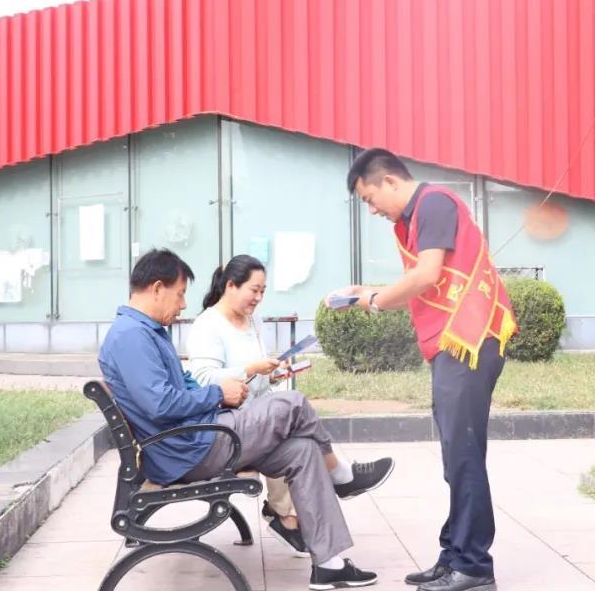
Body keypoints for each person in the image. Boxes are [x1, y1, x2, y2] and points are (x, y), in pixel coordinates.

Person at [99, 248, 394, 590]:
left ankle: (329, 564)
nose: (182, 304)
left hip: (195, 439)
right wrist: (217, 394)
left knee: (302, 450)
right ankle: (341, 476)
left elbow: (182, 385)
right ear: (157, 288)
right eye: (179, 294)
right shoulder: (132, 336)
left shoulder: (145, 331)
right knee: (294, 404)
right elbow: (161, 404)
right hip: (191, 448)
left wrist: (217, 394)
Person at [329, 149, 517, 591]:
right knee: (456, 457)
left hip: (467, 340)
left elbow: (427, 275)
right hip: (455, 344)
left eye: (370, 198)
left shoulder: (433, 203)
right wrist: (368, 292)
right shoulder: (416, 216)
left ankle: (473, 566)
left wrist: (374, 301)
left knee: (463, 456)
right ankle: (454, 555)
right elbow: (426, 282)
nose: (372, 209)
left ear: (390, 181)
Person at [186, 254, 306, 555]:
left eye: (263, 291)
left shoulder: (254, 321)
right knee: (290, 426)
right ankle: (289, 511)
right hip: (226, 425)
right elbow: (204, 381)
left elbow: (256, 382)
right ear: (231, 285)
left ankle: (289, 513)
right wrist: (252, 368)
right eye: (254, 290)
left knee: (294, 427)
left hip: (253, 413)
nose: (259, 297)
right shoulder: (207, 325)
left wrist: (273, 374)